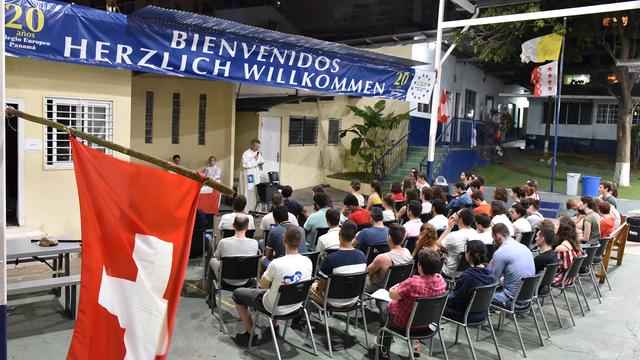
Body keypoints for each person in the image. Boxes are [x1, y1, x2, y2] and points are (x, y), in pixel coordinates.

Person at [232, 227, 312, 346]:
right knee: (278, 291)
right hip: (296, 306)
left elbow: (262, 285)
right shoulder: (308, 261)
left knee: (237, 294)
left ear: (284, 240)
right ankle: (273, 326)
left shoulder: (276, 264)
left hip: (274, 308)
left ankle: (251, 334)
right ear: (301, 242)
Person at [377, 250, 446, 359]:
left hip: (405, 324)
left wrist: (392, 288)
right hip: (427, 323)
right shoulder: (440, 280)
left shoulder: (414, 282)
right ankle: (415, 345)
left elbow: (392, 296)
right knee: (415, 309)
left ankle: (383, 351)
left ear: (420, 266)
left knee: (381, 303)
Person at [309, 220, 366, 306]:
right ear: (354, 237)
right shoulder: (362, 256)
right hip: (354, 299)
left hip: (332, 301)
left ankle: (303, 317)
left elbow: (320, 287)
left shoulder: (330, 259)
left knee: (309, 286)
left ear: (339, 235)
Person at [208, 215, 260, 308]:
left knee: (212, 261)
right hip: (247, 280)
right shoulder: (254, 243)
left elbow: (217, 257)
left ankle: (211, 297)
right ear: (247, 227)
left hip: (226, 279)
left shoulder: (223, 242)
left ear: (233, 226)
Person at [443, 240, 495, 323]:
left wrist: (443, 295)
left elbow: (456, 299)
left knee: (435, 305)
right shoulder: (490, 274)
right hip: (482, 314)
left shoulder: (468, 276)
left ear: (470, 254)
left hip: (465, 315)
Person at [490, 223, 535, 308]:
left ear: (498, 237)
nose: (494, 242)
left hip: (511, 301)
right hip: (528, 299)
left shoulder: (501, 252)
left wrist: (489, 267)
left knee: (473, 296)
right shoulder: (524, 247)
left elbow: (491, 281)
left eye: (493, 239)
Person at [366, 223, 413, 292]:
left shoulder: (382, 258)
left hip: (380, 289)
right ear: (403, 239)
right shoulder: (407, 252)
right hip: (400, 287)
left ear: (389, 237)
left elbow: (367, 272)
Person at [439, 208, 478, 278]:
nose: (455, 215)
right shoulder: (476, 234)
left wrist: (449, 227)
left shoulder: (453, 235)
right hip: (469, 271)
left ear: (460, 220)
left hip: (450, 273)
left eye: (457, 214)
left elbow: (438, 245)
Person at [553, 218, 582, 286]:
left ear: (562, 229)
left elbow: (552, 267)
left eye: (557, 224)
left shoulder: (561, 248)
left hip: (562, 279)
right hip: (571, 277)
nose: (555, 226)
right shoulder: (573, 242)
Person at [239, 139, 265, 212]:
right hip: (249, 176)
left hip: (256, 176)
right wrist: (254, 160)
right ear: (252, 145)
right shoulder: (246, 153)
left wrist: (261, 163)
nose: (258, 148)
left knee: (255, 192)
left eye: (258, 147)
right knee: (248, 191)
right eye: (256, 147)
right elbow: (245, 164)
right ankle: (247, 209)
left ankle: (255, 209)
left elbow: (261, 161)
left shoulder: (257, 153)